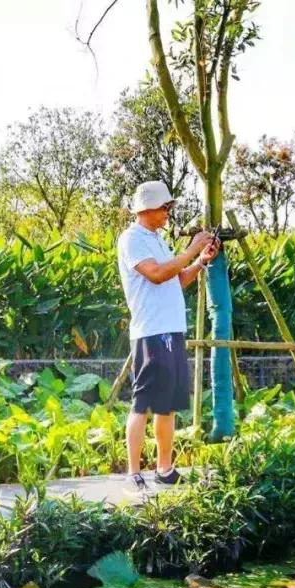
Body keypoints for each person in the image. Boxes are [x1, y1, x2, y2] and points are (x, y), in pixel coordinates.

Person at [118, 180, 219, 487]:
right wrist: (191, 249)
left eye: (169, 207)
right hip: (151, 332)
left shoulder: (159, 241)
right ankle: (133, 473)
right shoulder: (131, 239)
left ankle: (164, 470)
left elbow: (178, 279)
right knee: (143, 403)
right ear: (146, 208)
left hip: (172, 330)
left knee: (168, 404)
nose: (168, 213)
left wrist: (201, 260)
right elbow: (158, 274)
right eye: (164, 207)